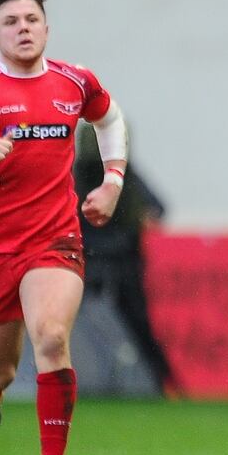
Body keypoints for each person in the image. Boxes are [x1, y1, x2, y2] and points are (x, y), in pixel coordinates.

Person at [0, 0, 127, 455]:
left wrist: (112, 180)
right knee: (0, 368)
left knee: (53, 339)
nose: (23, 29)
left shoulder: (74, 82)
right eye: (11, 22)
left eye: (31, 19)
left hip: (53, 238)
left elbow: (109, 117)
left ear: (46, 28)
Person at [73, 122, 178, 396]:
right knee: (136, 327)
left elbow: (157, 208)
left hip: (104, 264)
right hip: (111, 263)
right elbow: (158, 209)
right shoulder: (119, 176)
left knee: (130, 326)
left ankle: (161, 383)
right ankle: (164, 385)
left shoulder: (88, 176)